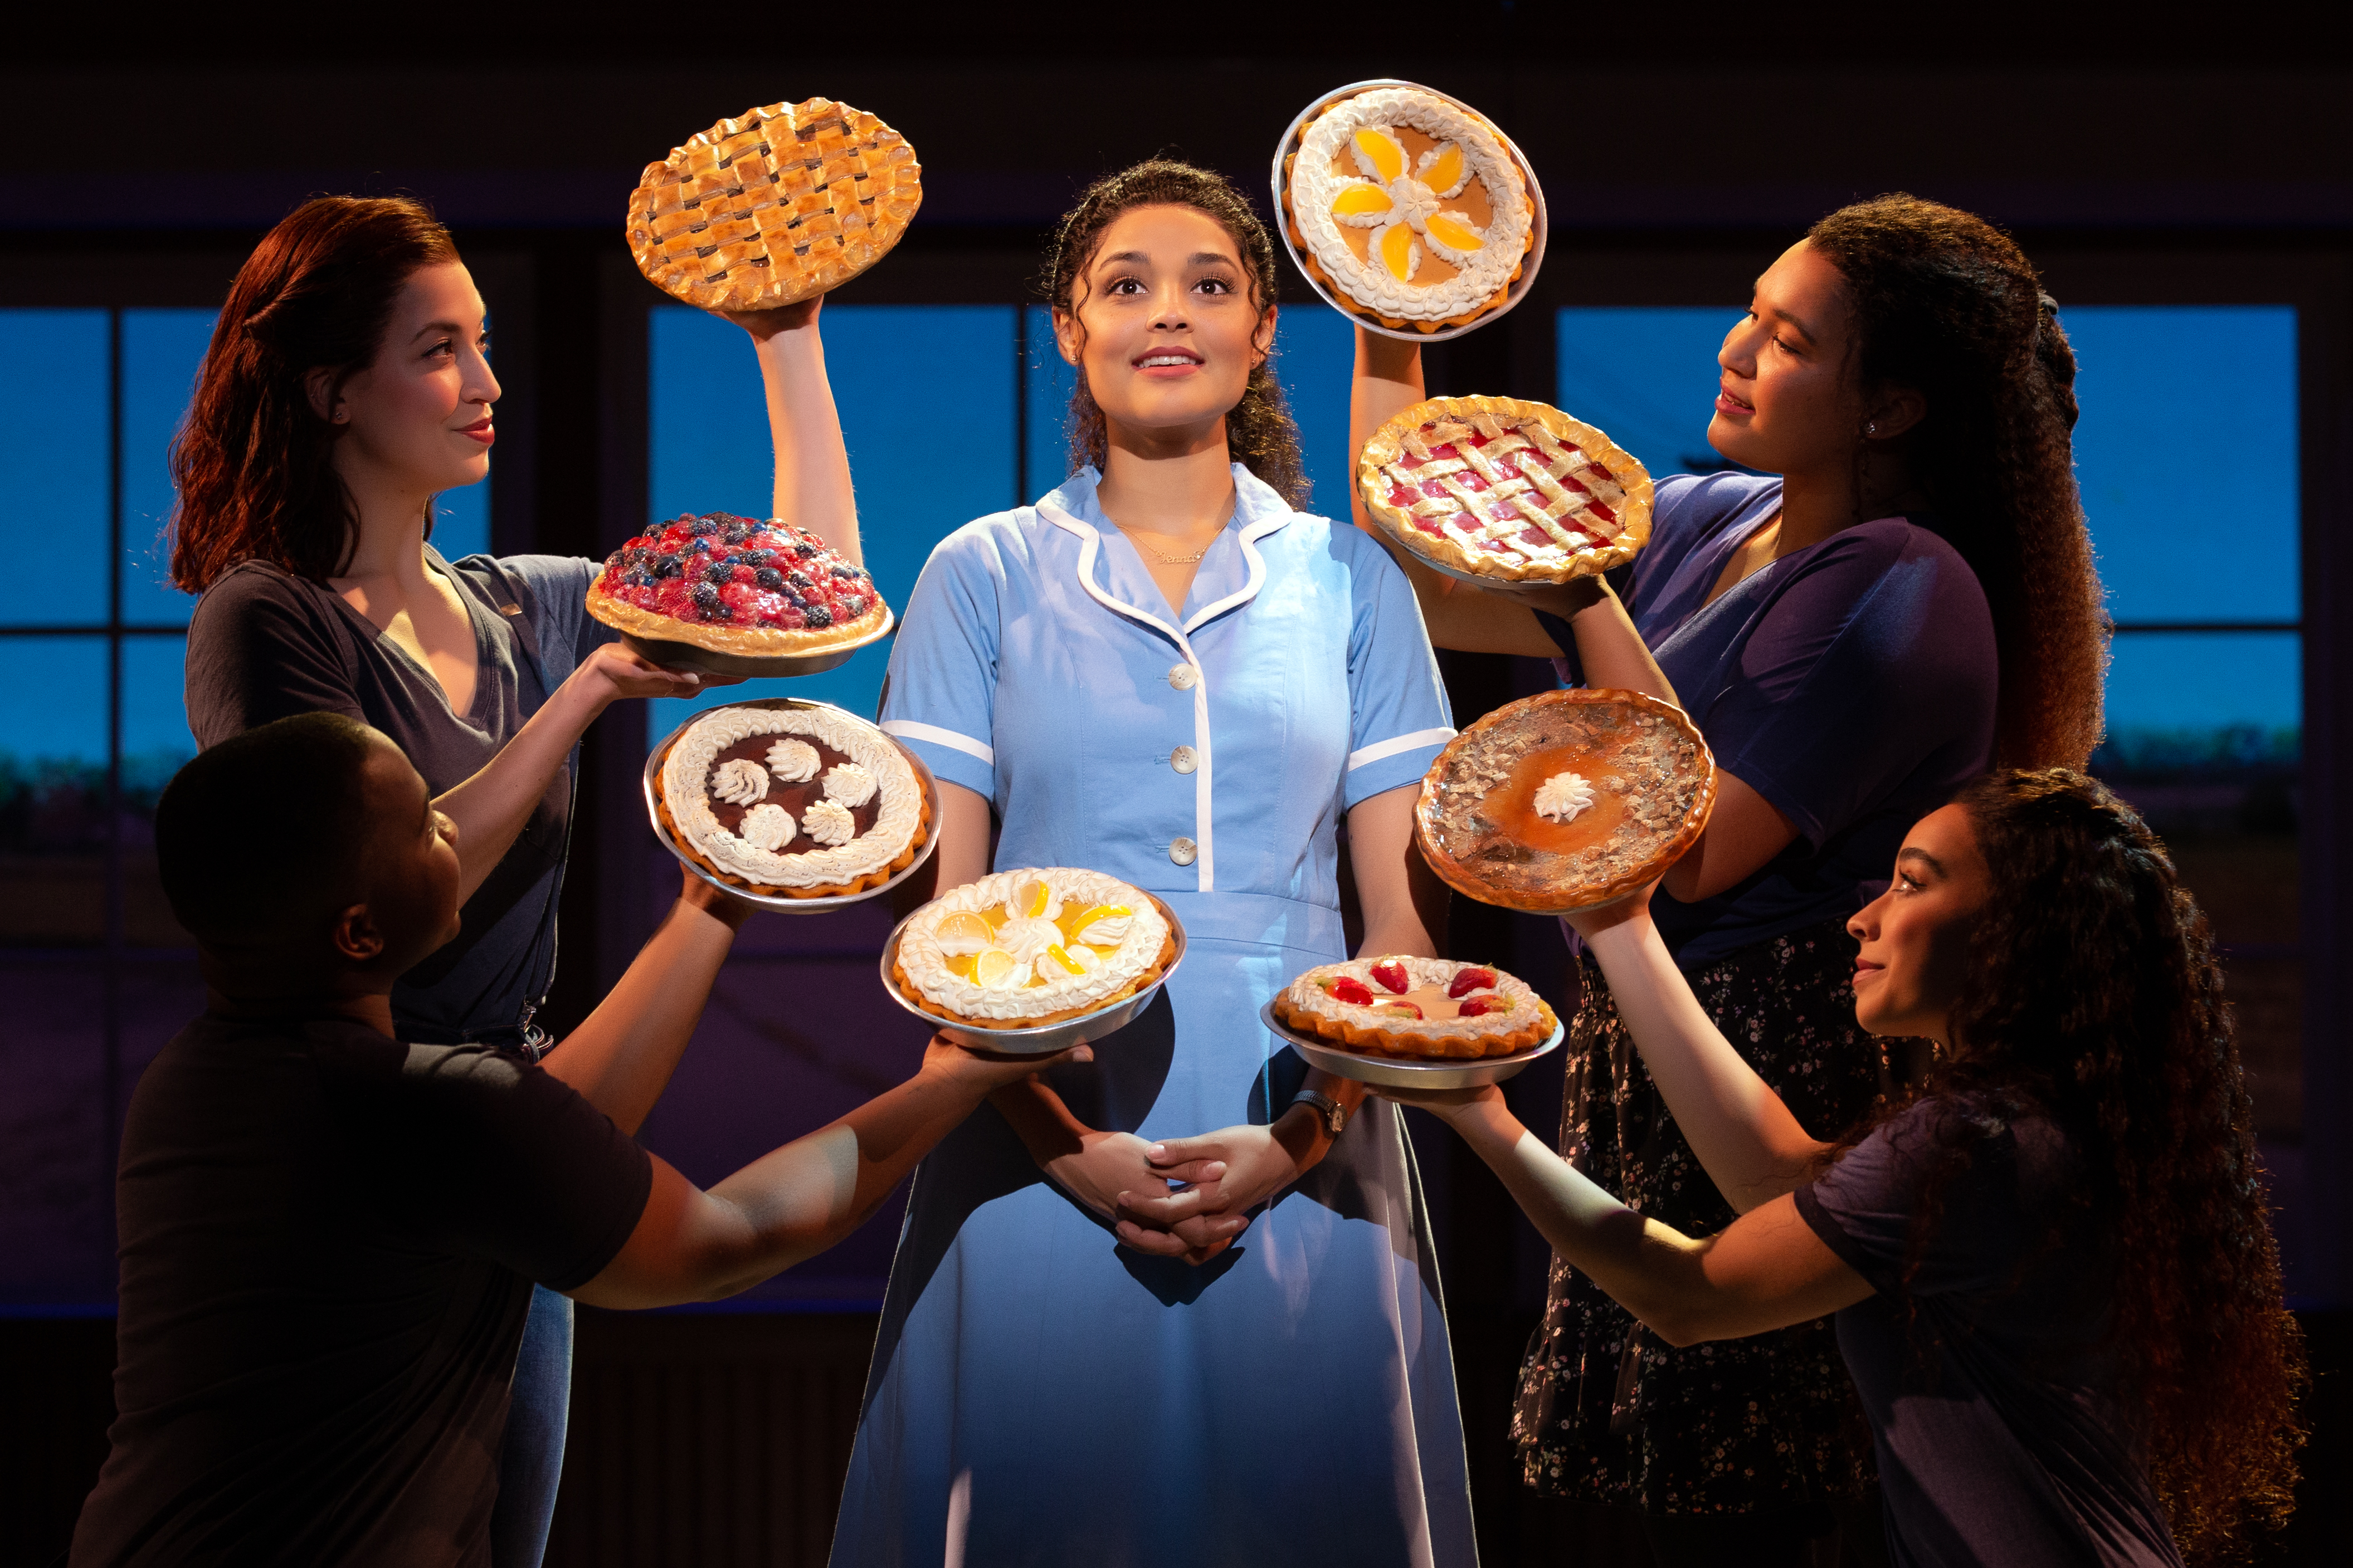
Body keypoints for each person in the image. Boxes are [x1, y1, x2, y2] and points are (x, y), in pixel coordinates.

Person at [1348, 194, 2110, 1561]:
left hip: (1767, 1058)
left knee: (1743, 1502)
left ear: (1889, 408)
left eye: (1789, 339)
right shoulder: (1717, 518)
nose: (1738, 349)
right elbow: (1428, 578)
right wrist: (1386, 331)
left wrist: (1581, 595)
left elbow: (1684, 850)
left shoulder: (1904, 584)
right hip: (1648, 1053)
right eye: (1751, 312)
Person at [169, 194, 861, 1563]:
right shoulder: (266, 618)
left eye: (485, 345)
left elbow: (815, 600)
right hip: (342, 1171)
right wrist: (586, 693)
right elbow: (361, 890)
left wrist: (788, 338)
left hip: (511, 1142)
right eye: (440, 350)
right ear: (331, 390)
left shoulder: (523, 602)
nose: (487, 384)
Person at [825, 161, 1472, 1565]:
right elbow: (949, 928)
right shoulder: (980, 569)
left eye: (1210, 284)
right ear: (1070, 329)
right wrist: (1071, 1156)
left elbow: (1399, 930)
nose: (1165, 312)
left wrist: (1300, 1137)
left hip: (1309, 1115)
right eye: (1125, 284)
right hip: (1026, 1117)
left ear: (1261, 333)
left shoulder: (1355, 580)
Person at [70, 712, 1079, 1566]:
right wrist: (958, 1075)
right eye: (423, 825)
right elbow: (724, 1240)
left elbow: (548, 1132)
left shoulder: (198, 1080)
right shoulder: (420, 1108)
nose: (453, 827)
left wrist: (712, 901)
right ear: (359, 935)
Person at [1367, 769, 2306, 1566]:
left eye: (1910, 883)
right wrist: (1620, 924)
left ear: (2017, 929)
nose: (1864, 918)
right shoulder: (2028, 1128)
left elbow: (1689, 1295)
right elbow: (1777, 1175)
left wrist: (1478, 1110)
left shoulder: (1971, 1140)